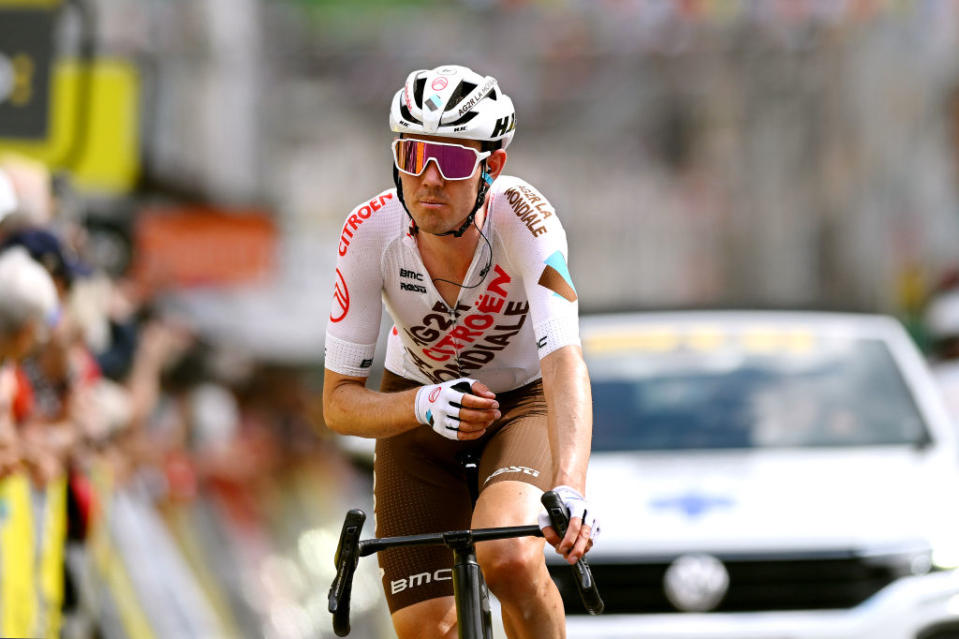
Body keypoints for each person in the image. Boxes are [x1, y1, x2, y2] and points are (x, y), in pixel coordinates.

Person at [322, 64, 598, 639]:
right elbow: (338, 404)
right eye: (412, 154)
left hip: (521, 401)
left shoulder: (529, 222)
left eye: (450, 161)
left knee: (512, 560)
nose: (428, 180)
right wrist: (422, 405)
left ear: (490, 167)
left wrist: (570, 485)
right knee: (426, 629)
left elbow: (563, 360)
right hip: (418, 408)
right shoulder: (368, 234)